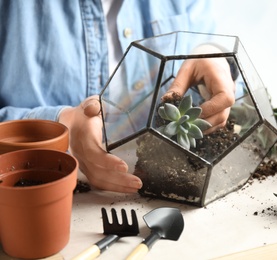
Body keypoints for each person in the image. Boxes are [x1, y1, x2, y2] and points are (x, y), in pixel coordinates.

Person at [0, 0, 235, 193]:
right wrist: (58, 128)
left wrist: (216, 59)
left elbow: (215, 57)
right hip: (46, 202)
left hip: (163, 196)